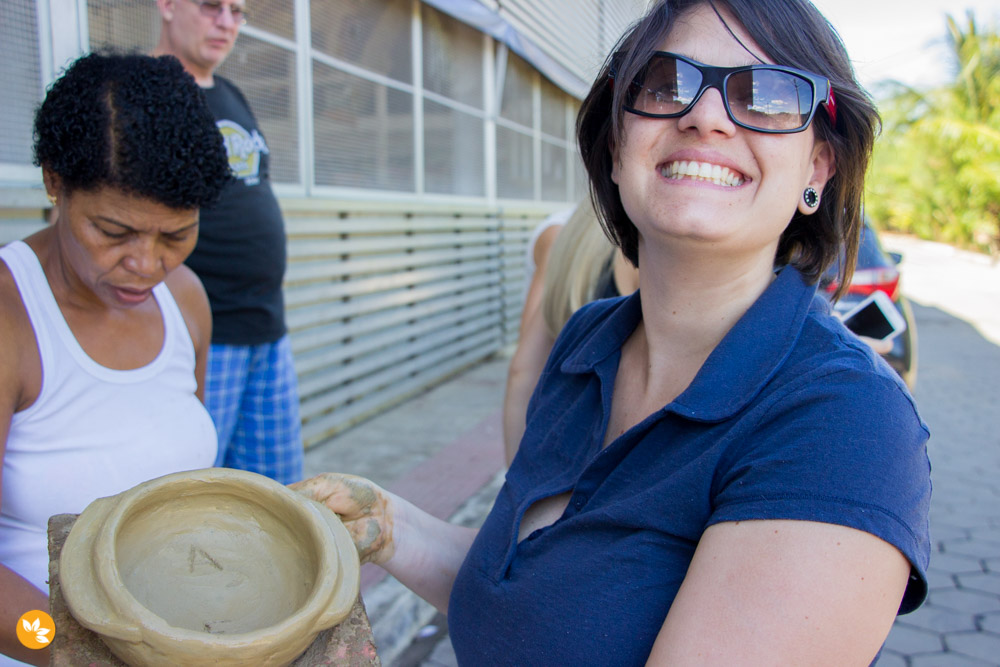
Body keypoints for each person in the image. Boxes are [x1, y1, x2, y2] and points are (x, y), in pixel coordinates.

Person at [293, 0, 932, 663]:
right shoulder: (587, 343)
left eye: (767, 93)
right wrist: (386, 523)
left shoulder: (845, 424)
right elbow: (530, 600)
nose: (704, 115)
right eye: (664, 83)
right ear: (617, 145)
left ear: (818, 170)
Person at [0, 52, 231, 666]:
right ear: (55, 181)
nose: (147, 265)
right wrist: (64, 651)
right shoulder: (9, 320)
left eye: (176, 236)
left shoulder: (186, 302)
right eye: (113, 232)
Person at [152, 0, 304, 484]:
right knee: (192, 499)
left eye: (237, 11)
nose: (225, 22)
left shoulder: (232, 92)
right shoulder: (144, 90)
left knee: (276, 499)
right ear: (168, 5)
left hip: (267, 328)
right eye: (211, 6)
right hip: (205, 337)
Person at [503, 201, 638, 462]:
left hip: (567, 444)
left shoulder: (576, 233)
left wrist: (514, 479)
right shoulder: (560, 233)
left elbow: (524, 369)